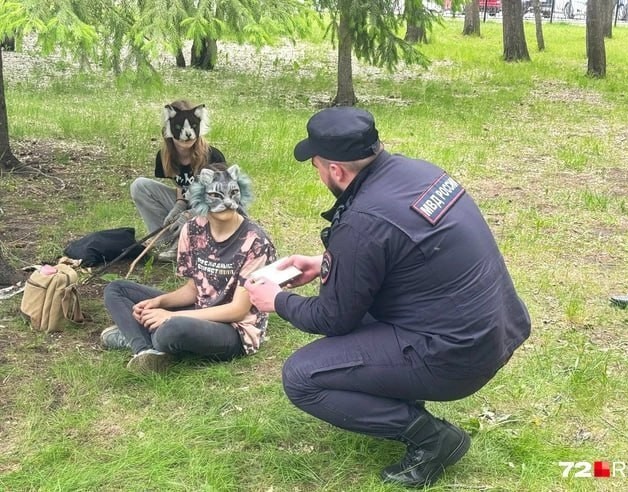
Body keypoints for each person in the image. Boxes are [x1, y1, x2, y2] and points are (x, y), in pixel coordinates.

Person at [245, 107, 531, 487]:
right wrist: (324, 262)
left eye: (316, 166)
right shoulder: (420, 173)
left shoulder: (363, 221)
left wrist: (276, 301)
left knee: (302, 377)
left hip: (458, 357)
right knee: (351, 331)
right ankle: (400, 391)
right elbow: (404, 250)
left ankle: (433, 440)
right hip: (498, 326)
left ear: (336, 171)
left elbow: (334, 318)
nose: (317, 174)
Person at [103, 162, 276, 373]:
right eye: (216, 195)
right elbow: (194, 289)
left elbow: (238, 310)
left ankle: (136, 337)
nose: (228, 202)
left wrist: (170, 315)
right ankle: (146, 352)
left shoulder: (256, 241)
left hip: (234, 329)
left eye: (233, 192)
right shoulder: (192, 229)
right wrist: (160, 302)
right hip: (199, 310)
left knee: (173, 329)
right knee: (117, 289)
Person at [131, 99, 226, 262]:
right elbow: (182, 185)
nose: (187, 135)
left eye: (192, 128)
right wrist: (180, 203)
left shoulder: (213, 156)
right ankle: (166, 239)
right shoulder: (165, 157)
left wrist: (191, 214)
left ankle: (189, 244)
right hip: (189, 204)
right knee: (139, 186)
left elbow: (222, 200)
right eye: (180, 128)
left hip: (211, 211)